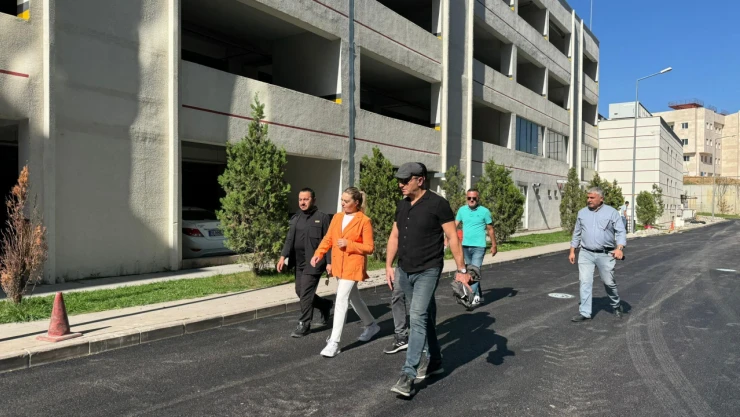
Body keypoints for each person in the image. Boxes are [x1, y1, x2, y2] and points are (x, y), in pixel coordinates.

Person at [386, 162, 472, 397]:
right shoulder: (402, 205)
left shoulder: (437, 204)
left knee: (417, 317)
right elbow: (394, 236)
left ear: (420, 180)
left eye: (405, 180)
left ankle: (408, 374)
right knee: (426, 316)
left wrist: (461, 269)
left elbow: (452, 237)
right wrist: (388, 265)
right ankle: (435, 361)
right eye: (399, 181)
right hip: (405, 270)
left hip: (428, 270)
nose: (401, 184)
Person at [311, 187, 380, 358]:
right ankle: (371, 325)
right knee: (354, 298)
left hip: (353, 265)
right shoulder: (337, 217)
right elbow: (328, 238)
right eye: (342, 200)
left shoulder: (364, 221)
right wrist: (319, 253)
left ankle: (334, 342)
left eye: (346, 201)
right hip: (339, 265)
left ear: (356, 203)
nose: (342, 203)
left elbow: (369, 248)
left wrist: (349, 244)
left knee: (341, 298)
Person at [278, 188, 333, 338]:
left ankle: (304, 324)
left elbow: (329, 242)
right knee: (300, 291)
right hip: (299, 262)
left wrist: (329, 262)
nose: (302, 202)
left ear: (313, 200)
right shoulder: (295, 218)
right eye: (300, 199)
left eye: (306, 199)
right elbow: (289, 239)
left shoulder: (322, 218)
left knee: (306, 293)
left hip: (315, 262)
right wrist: (283, 256)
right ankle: (325, 305)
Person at [569, 187, 627, 322]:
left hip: (605, 254)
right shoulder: (582, 213)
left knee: (609, 282)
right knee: (585, 281)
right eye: (588, 197)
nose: (588, 200)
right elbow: (577, 233)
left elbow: (620, 231)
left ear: (601, 199)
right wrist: (572, 251)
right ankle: (585, 312)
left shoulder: (612, 213)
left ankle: (616, 305)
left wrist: (619, 248)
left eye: (592, 198)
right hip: (586, 253)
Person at [454, 189, 497, 308]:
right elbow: (454, 225)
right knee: (470, 272)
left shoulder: (485, 211)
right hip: (465, 246)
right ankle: (479, 296)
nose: (471, 200)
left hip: (479, 246)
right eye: (469, 198)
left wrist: (494, 245)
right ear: (466, 198)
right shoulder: (462, 210)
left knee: (474, 271)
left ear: (478, 198)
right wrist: (447, 238)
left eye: (474, 198)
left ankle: (470, 298)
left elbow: (490, 229)